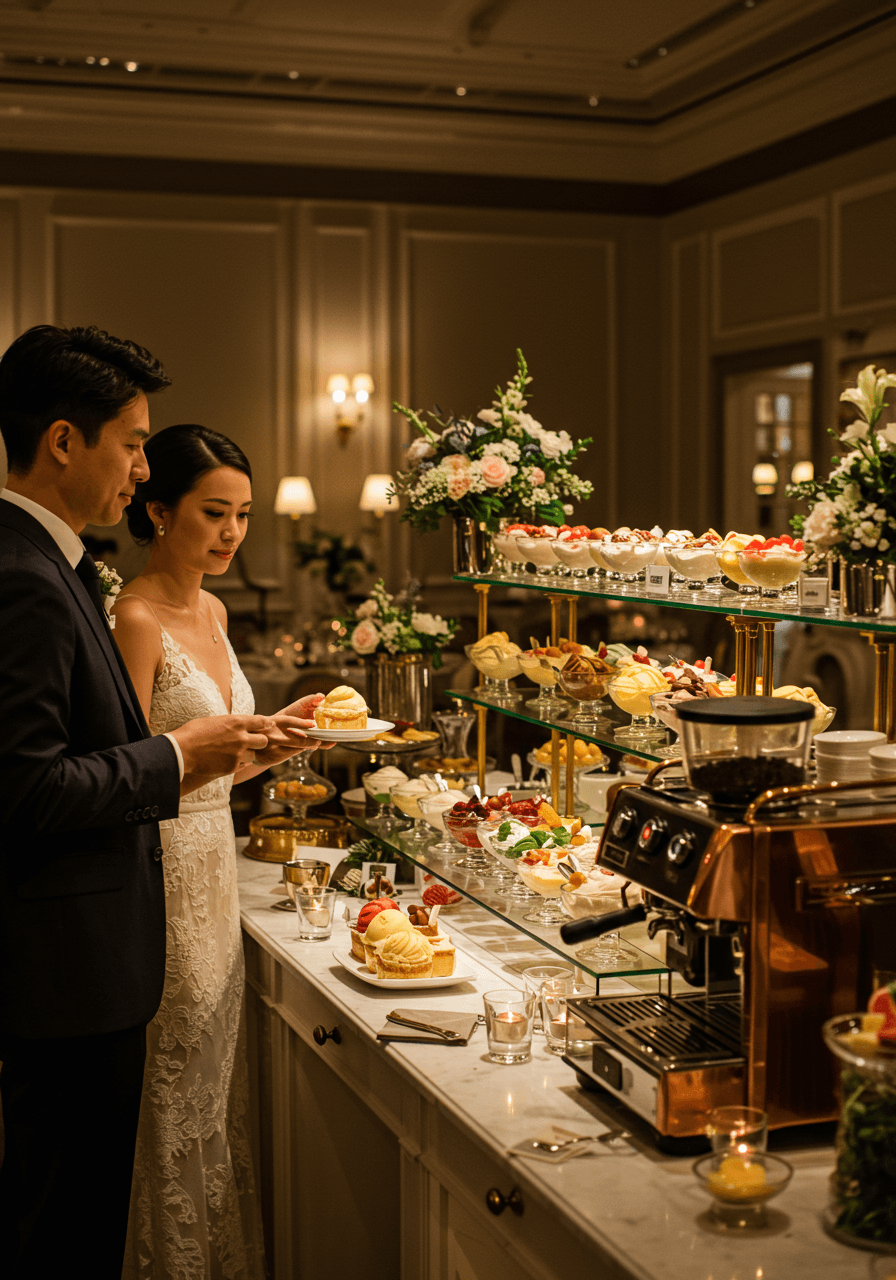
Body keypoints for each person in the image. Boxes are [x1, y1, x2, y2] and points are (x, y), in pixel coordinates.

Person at [0, 326, 310, 1278]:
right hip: (69, 963)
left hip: (103, 940)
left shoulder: (51, 564)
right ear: (64, 441)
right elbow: (26, 788)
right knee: (65, 1223)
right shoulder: (27, 578)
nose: (140, 468)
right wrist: (181, 753)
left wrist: (223, 755)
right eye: (133, 444)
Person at [110, 424, 328, 1279]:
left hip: (218, 866)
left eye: (242, 514)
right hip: (160, 878)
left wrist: (264, 753)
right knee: (171, 1090)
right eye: (214, 512)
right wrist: (217, 765)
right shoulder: (133, 616)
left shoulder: (216, 609)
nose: (233, 532)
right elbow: (131, 778)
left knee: (216, 1085)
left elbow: (207, 768)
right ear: (159, 510)